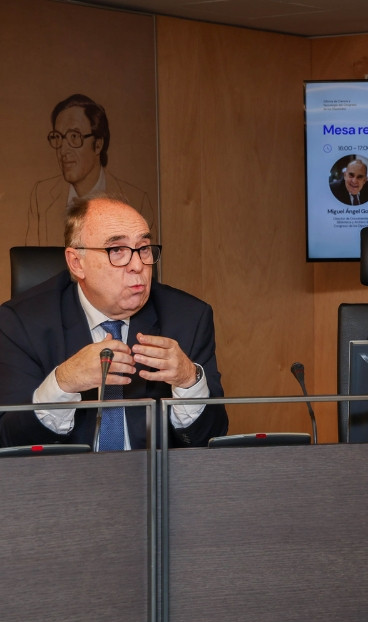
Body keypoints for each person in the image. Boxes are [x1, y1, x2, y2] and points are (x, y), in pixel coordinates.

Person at [0, 194, 228, 449]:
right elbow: (9, 442)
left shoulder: (188, 318)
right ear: (77, 263)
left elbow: (210, 440)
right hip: (63, 483)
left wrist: (189, 379)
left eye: (143, 249)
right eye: (117, 250)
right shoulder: (20, 323)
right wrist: (62, 382)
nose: (137, 265)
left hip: (155, 482)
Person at [26, 93, 155, 245]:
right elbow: (33, 265)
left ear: (98, 144)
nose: (62, 151)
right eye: (58, 137)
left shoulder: (137, 201)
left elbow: (146, 264)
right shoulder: (41, 196)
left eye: (74, 137)